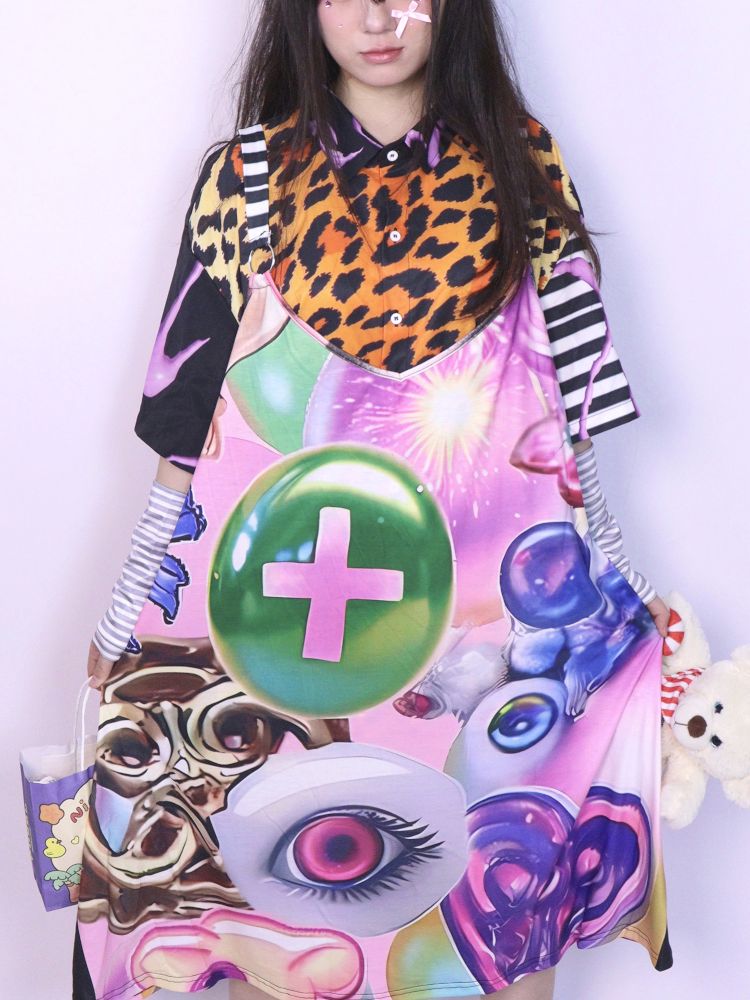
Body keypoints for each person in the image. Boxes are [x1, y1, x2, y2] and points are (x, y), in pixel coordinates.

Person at [75, 2, 674, 999]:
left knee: (496, 921)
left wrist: (622, 570)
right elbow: (185, 433)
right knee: (270, 916)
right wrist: (128, 594)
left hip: (486, 648)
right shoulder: (245, 180)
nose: (377, 15)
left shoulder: (522, 165)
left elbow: (570, 423)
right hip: (274, 647)